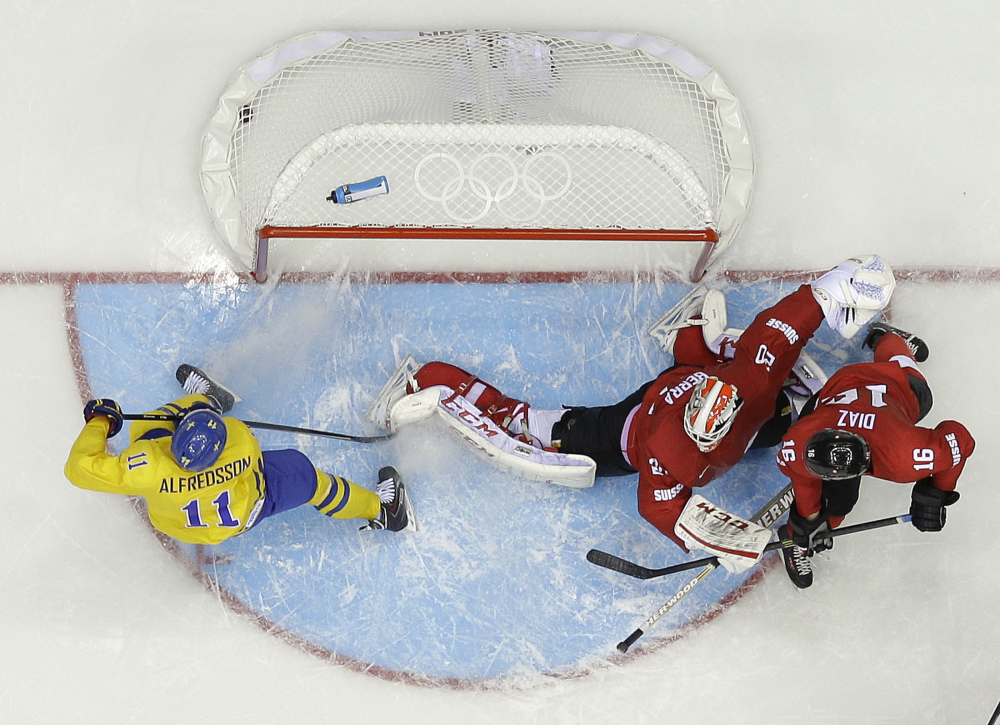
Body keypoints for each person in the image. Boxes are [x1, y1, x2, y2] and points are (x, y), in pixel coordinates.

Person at [383, 256, 896, 571]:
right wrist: (726, 540)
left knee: (778, 414)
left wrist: (840, 285)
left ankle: (694, 347)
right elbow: (660, 510)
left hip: (684, 389)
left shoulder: (751, 378)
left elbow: (788, 320)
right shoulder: (662, 456)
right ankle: (441, 387)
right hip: (626, 431)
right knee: (540, 435)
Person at [65, 364, 414, 545]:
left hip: (178, 526)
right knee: (309, 479)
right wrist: (202, 416)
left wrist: (100, 422)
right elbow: (225, 433)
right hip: (243, 511)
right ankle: (385, 511)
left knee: (147, 427)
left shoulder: (146, 466)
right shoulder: (240, 443)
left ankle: (212, 397)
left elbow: (79, 469)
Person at [775, 322, 975, 588]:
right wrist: (807, 524)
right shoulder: (799, 442)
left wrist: (936, 492)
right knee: (839, 501)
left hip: (896, 387)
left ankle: (889, 338)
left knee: (912, 381)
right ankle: (795, 545)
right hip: (841, 385)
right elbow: (805, 481)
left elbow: (959, 440)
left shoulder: (905, 454)